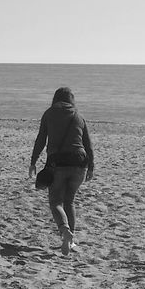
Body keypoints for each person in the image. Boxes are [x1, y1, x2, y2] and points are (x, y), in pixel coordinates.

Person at [29, 87, 95, 255]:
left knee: (56, 202)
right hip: (79, 164)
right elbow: (88, 144)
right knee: (69, 201)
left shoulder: (49, 114)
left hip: (58, 163)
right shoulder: (79, 117)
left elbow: (41, 140)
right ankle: (71, 242)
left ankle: (65, 230)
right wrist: (91, 166)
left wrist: (33, 161)